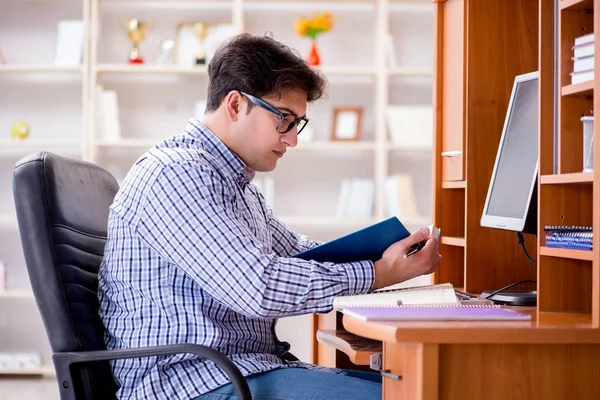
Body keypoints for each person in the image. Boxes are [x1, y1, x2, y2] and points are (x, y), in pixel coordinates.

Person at [98, 33, 441, 400]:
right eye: (285, 119)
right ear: (235, 105)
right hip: (192, 381)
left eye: (298, 124)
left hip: (240, 369)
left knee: (424, 386)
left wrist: (389, 255)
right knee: (411, 394)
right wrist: (378, 273)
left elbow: (299, 252)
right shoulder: (176, 174)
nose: (292, 139)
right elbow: (259, 287)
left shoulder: (236, 186)